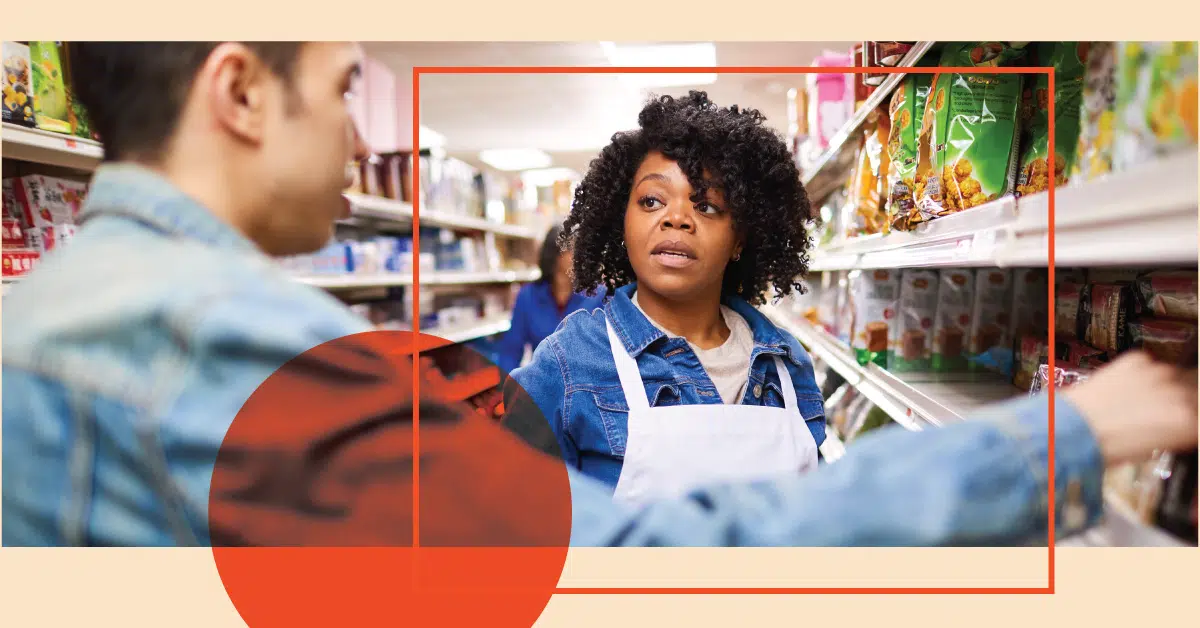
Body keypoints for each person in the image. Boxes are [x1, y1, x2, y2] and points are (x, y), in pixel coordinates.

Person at [1, 43, 1196, 549]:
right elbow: (622, 552)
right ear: (241, 94)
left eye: (711, 204)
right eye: (343, 83)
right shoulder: (223, 344)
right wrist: (1059, 441)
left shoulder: (68, 318)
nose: (361, 125)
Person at [503, 92, 826, 505]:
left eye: (706, 206)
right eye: (652, 201)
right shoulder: (568, 366)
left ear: (740, 239)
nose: (676, 218)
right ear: (622, 223)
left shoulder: (785, 364)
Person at [494, 223, 605, 375]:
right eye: (573, 249)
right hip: (543, 388)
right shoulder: (528, 296)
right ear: (555, 254)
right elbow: (511, 351)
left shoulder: (599, 296)